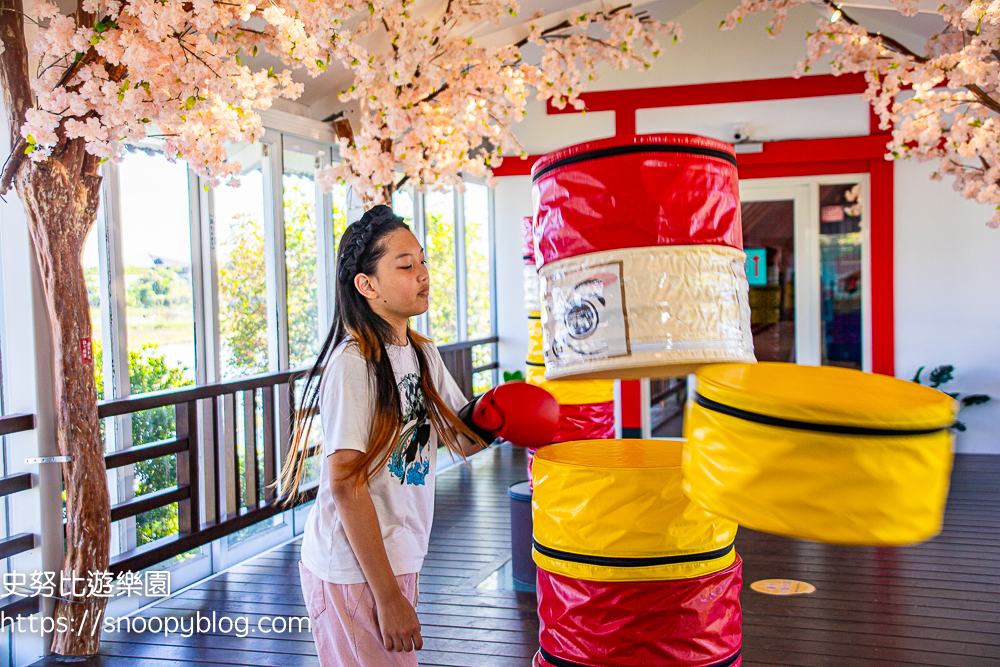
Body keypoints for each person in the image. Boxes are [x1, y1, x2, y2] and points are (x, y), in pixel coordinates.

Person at [274, 204, 558, 667]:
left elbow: (458, 437)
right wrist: (387, 597)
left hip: (395, 553)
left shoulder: (421, 352)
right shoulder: (354, 363)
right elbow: (346, 483)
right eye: (405, 266)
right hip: (354, 566)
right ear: (366, 286)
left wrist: (495, 417)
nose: (423, 274)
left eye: (422, 260)